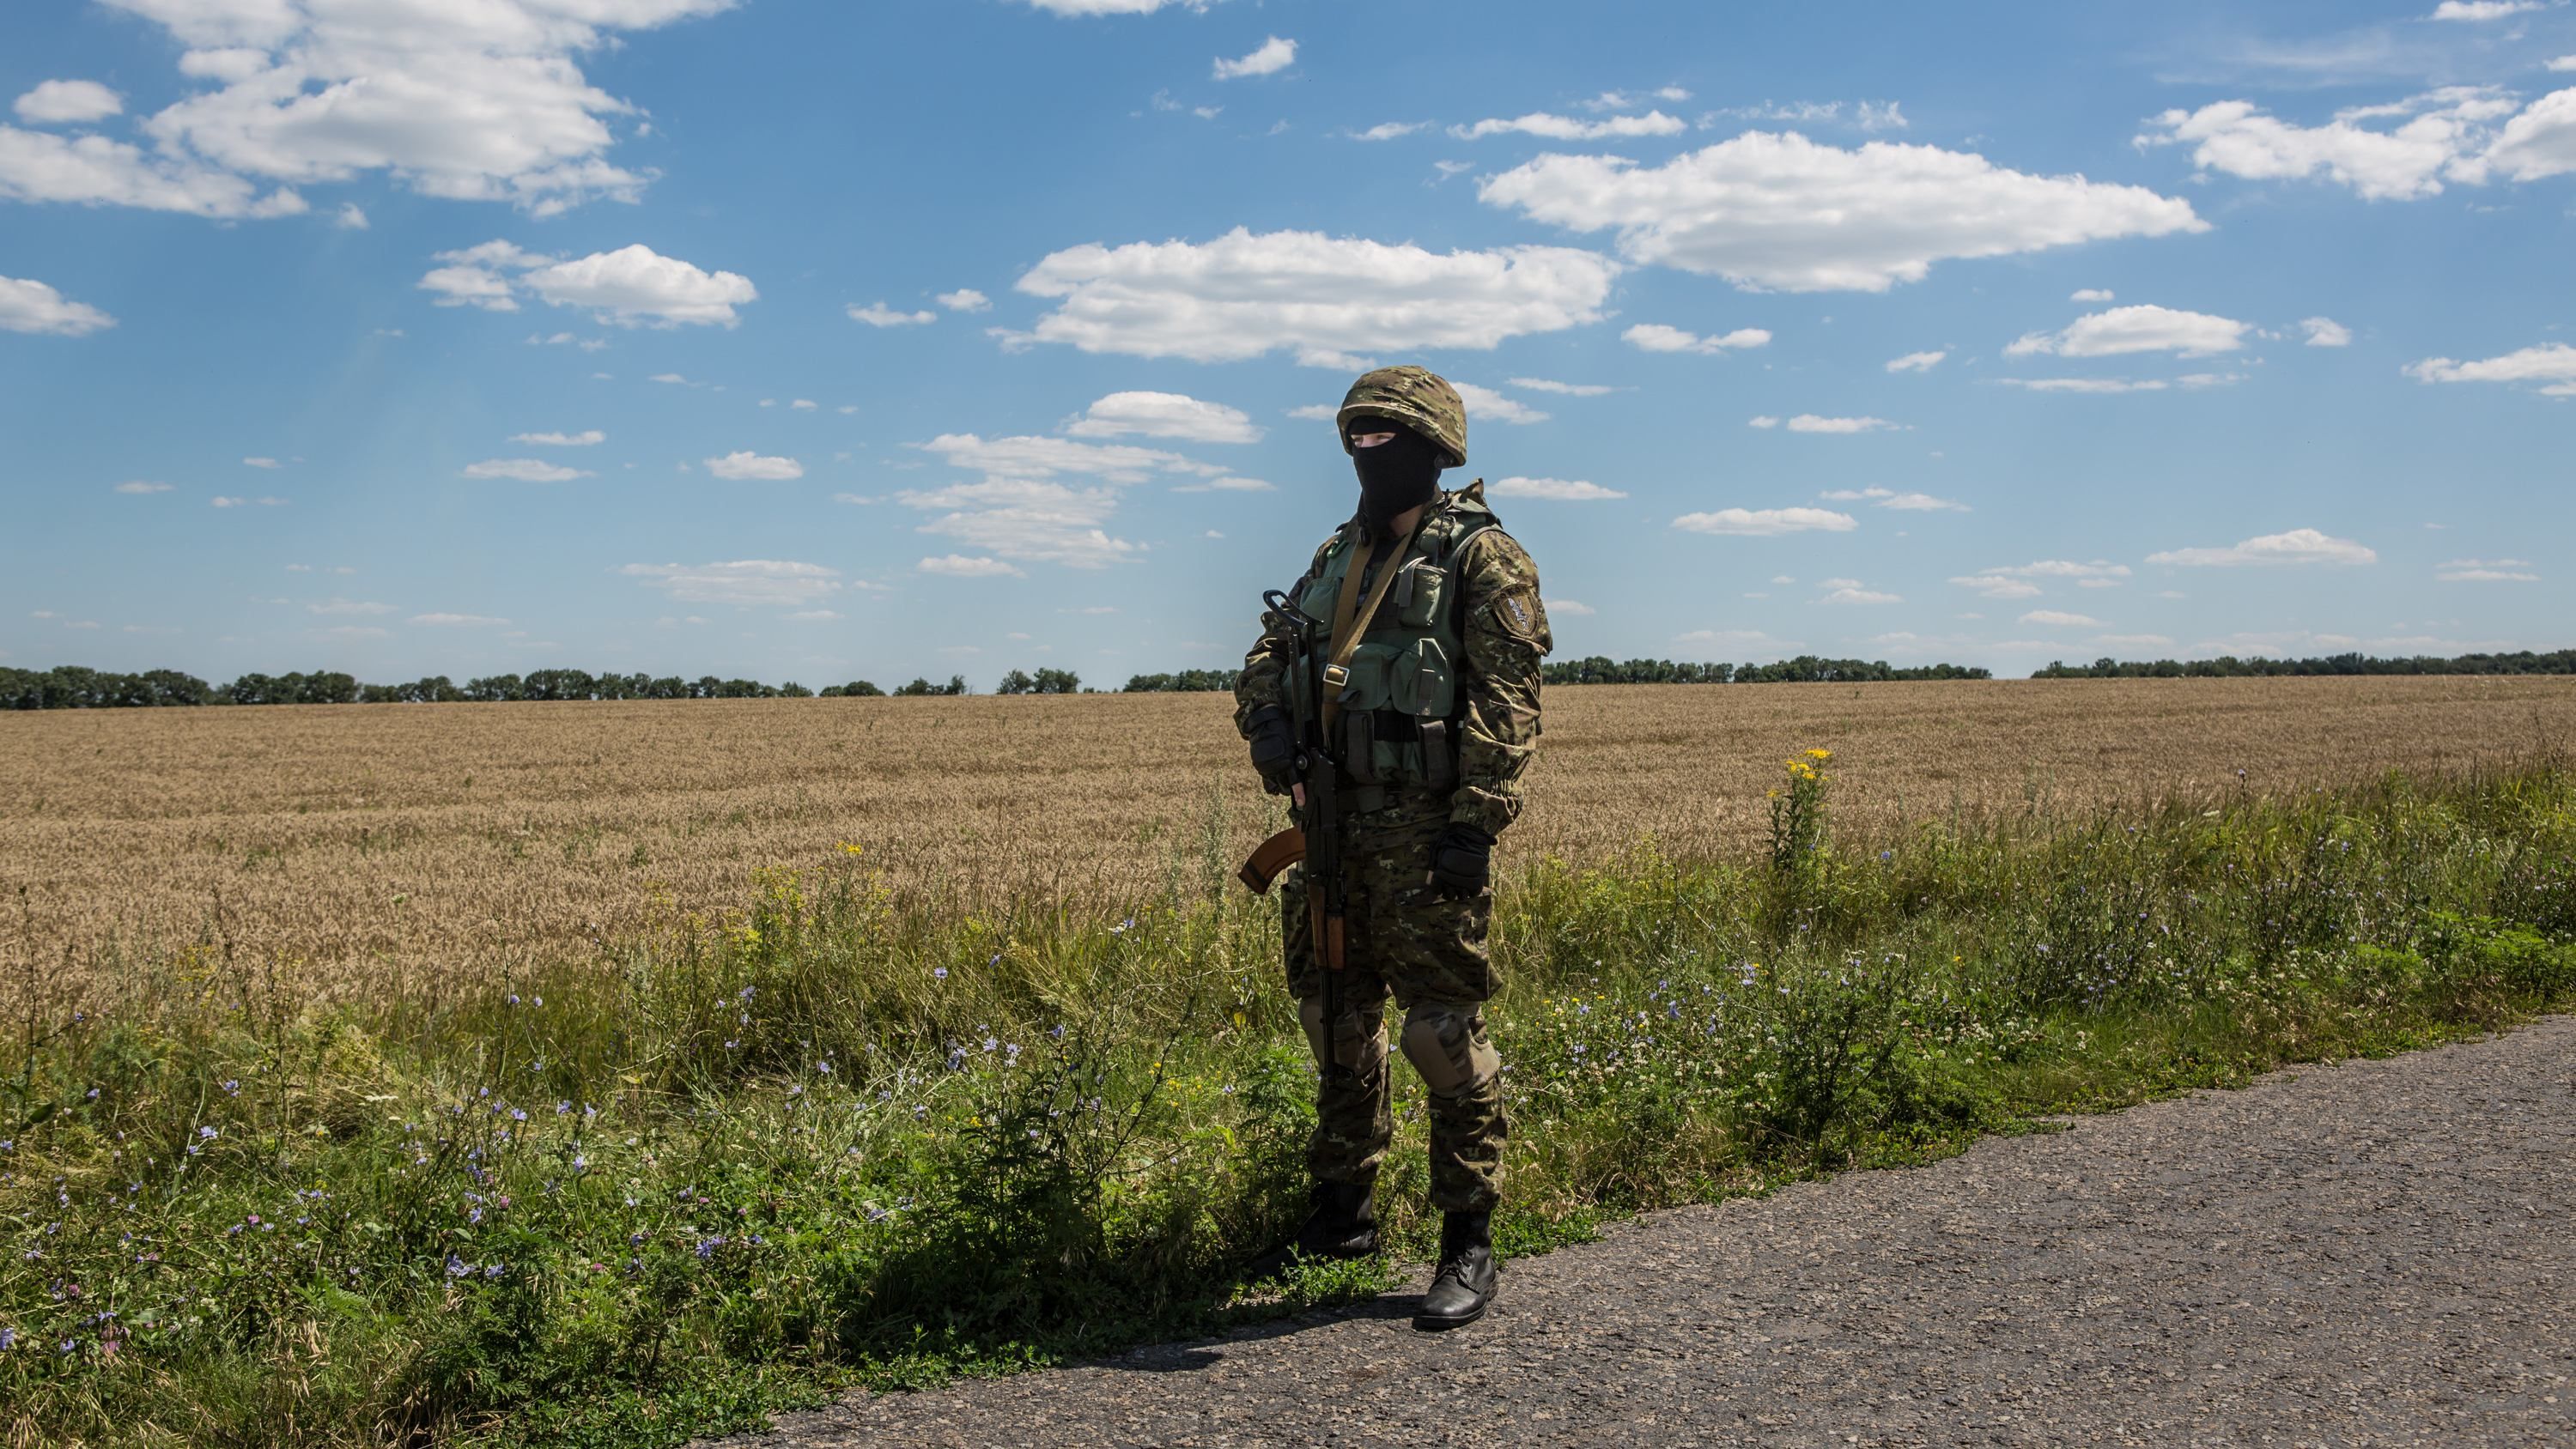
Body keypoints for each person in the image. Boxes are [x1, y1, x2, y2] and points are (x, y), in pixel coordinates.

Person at [1234, 365, 1552, 1331]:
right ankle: (1343, 1213)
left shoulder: (1483, 558)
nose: (1368, 453)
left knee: (1440, 1035)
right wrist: (1266, 728)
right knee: (1335, 1020)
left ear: (1432, 446)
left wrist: (1475, 825)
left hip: (1425, 836)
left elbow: (1509, 700)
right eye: (1356, 438)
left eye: (1386, 437)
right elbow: (1264, 658)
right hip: (1330, 830)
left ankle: (1469, 1238)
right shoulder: (1336, 555)